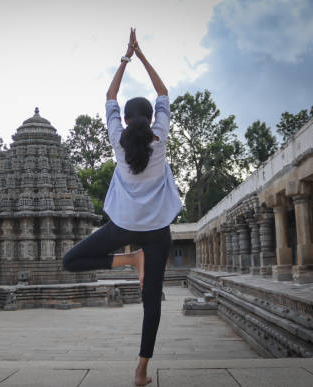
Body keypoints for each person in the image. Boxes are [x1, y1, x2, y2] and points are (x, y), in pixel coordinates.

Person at [62, 28, 182, 386]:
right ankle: (141, 369)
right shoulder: (159, 140)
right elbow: (163, 92)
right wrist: (143, 56)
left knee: (71, 261)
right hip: (158, 231)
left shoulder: (118, 140)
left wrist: (126, 58)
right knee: (152, 302)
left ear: (127, 121)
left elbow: (110, 95)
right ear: (150, 119)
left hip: (124, 227)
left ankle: (129, 259)